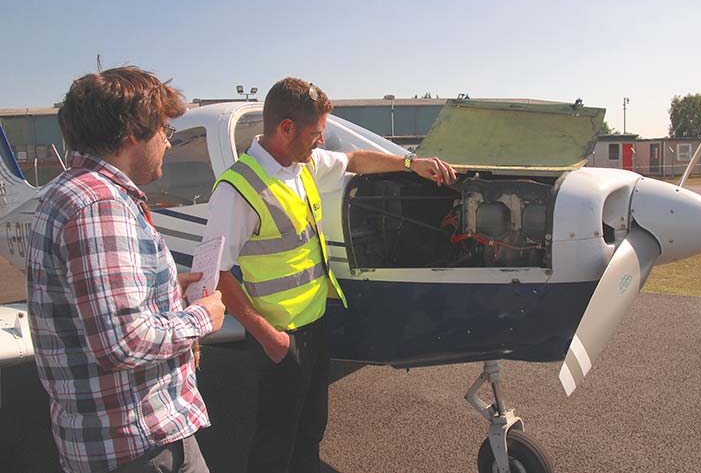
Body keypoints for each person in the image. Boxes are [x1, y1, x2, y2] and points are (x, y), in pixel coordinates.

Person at [203, 77, 456, 473]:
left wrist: (411, 164)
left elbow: (354, 161)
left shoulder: (302, 165)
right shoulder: (237, 189)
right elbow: (214, 273)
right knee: (275, 440)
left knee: (311, 428)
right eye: (316, 134)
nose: (322, 142)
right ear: (286, 129)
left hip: (315, 325)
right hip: (279, 334)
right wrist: (267, 336)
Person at [26, 66, 226, 473]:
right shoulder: (100, 205)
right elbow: (124, 342)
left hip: (114, 443)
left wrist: (169, 289)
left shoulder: (76, 191)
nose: (168, 144)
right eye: (164, 130)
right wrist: (203, 318)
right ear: (134, 131)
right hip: (140, 447)